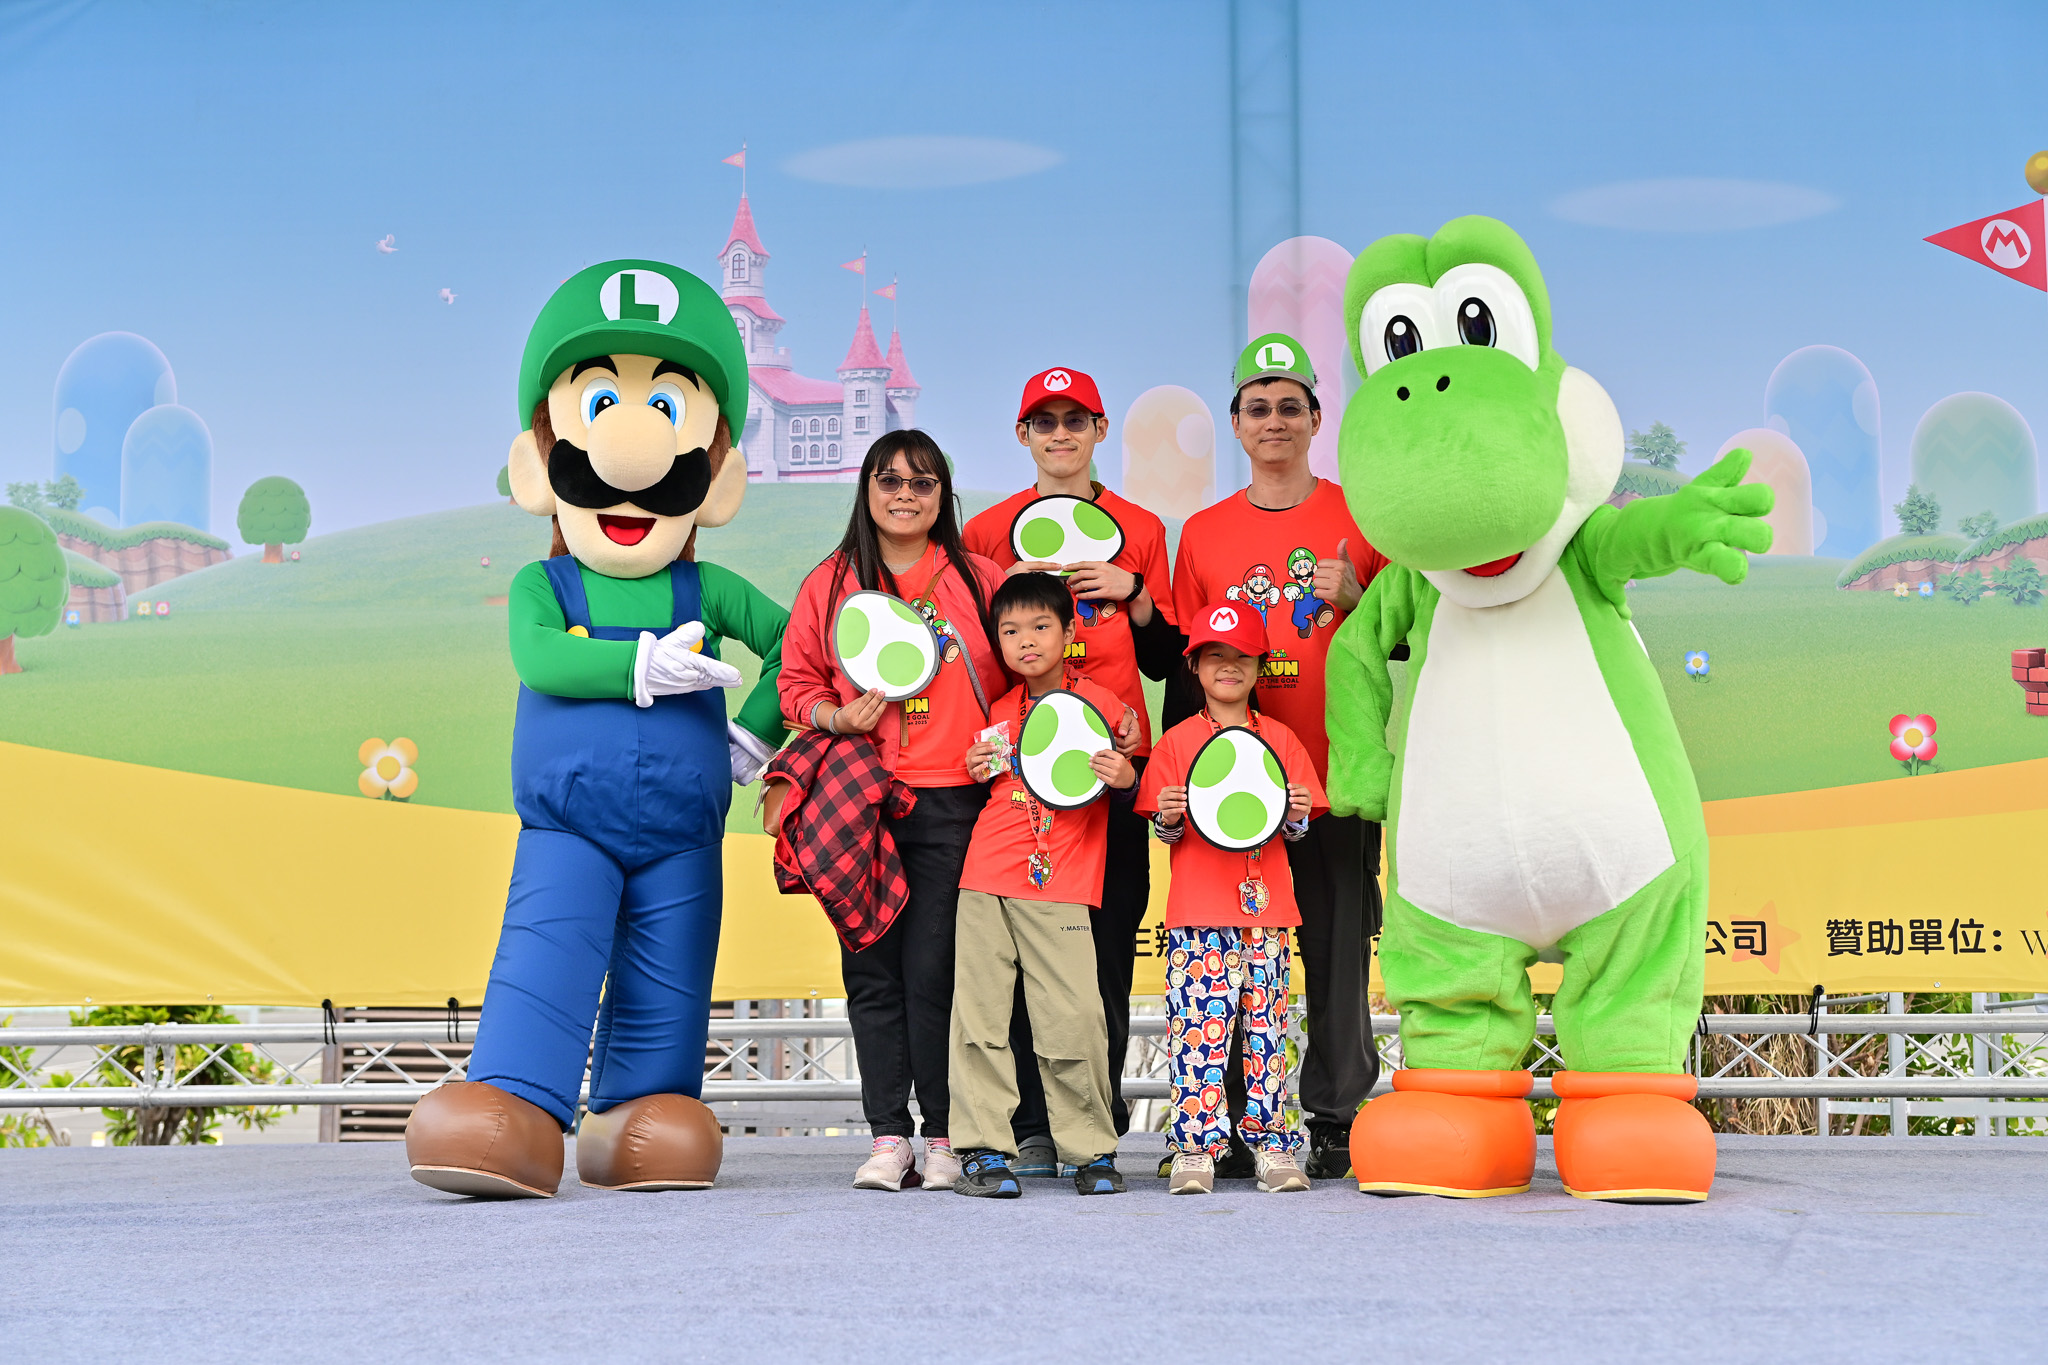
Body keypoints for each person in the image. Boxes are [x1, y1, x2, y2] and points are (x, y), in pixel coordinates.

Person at [406, 259, 786, 1198]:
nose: (632, 459)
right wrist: (636, 668)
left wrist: (753, 733)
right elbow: (539, 657)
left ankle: (638, 1116)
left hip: (683, 834)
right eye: (601, 404)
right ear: (539, 464)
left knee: (670, 974)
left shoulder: (709, 587)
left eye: (667, 411)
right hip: (569, 824)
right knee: (550, 948)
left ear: (717, 480)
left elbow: (799, 645)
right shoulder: (547, 583)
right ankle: (516, 1105)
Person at [1167, 332, 1389, 1181]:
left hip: (1333, 774)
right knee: (1230, 956)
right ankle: (1226, 1124)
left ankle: (1334, 1115)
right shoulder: (1203, 534)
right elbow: (1187, 669)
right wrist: (1188, 785)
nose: (1274, 421)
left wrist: (1358, 598)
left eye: (1290, 406)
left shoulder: (1363, 518)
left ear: (1316, 419)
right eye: (1257, 407)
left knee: (1336, 948)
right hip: (1233, 791)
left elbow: (1411, 631)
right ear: (1235, 423)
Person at [774, 430, 1006, 1193]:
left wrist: (1000, 741)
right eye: (890, 480)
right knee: (870, 970)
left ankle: (943, 1135)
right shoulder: (830, 582)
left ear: (943, 494)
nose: (905, 494)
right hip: (860, 799)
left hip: (952, 800)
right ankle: (887, 1137)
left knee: (935, 971)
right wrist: (836, 717)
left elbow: (1020, 677)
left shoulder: (979, 579)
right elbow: (795, 685)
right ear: (867, 489)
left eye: (922, 481)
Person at [962, 365, 1179, 1174]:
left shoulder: (1141, 528)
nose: (1061, 434)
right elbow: (981, 655)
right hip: (1018, 781)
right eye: (1045, 422)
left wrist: (1136, 591)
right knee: (1013, 966)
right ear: (1023, 435)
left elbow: (1168, 658)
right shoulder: (989, 531)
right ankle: (1028, 1126)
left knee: (1104, 957)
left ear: (1100, 430)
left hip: (1109, 774)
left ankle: (1096, 1129)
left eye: (1075, 420)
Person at [947, 572, 1138, 1197]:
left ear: (1069, 631)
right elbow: (984, 777)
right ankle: (982, 1151)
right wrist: (975, 765)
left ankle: (1090, 1151)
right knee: (980, 1016)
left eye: (1040, 626)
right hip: (985, 875)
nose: (1026, 641)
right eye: (1010, 631)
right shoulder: (998, 710)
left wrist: (1126, 777)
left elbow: (1132, 775)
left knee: (1076, 1016)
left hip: (1062, 883)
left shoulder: (1107, 706)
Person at [1136, 602, 1324, 1194]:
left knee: (1267, 1033)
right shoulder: (1176, 742)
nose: (1228, 666)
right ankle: (1194, 1149)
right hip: (1198, 913)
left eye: (1241, 656)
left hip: (1267, 911)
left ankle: (1273, 1147)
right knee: (1198, 1033)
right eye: (1214, 656)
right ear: (1193, 666)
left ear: (1260, 666)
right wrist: (1167, 819)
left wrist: (1296, 815)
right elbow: (1163, 831)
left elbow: (1297, 829)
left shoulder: (1282, 739)